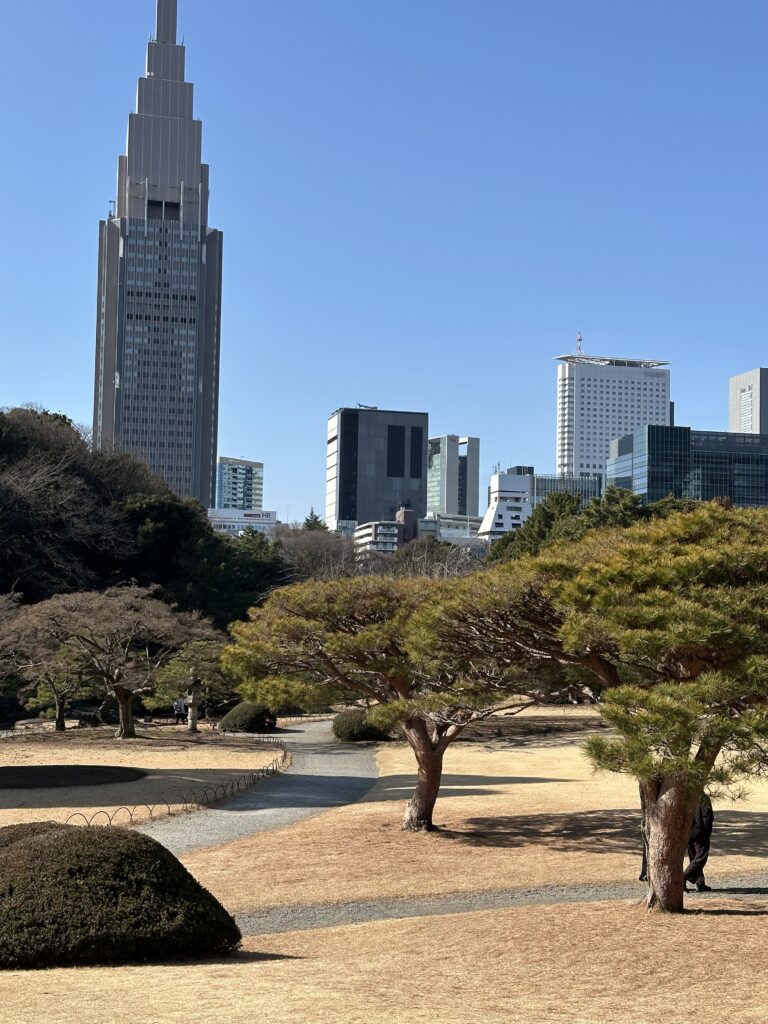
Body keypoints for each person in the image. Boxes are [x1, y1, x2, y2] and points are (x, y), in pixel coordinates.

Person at [685, 793, 714, 892]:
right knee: (701, 858)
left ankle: (700, 883)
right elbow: (707, 816)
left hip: (688, 832)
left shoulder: (687, 796)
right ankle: (684, 876)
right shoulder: (703, 797)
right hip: (700, 832)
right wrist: (707, 832)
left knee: (694, 858)